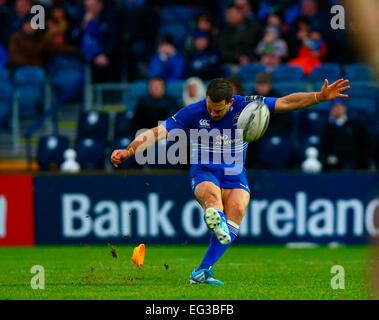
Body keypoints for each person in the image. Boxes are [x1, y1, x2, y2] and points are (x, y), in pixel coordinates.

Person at [111, 77, 350, 285]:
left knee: (237, 209)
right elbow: (157, 132)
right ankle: (214, 214)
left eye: (218, 110)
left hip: (235, 171)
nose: (213, 113)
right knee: (212, 199)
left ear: (230, 102)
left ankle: (202, 271)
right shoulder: (193, 112)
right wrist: (129, 151)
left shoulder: (247, 105)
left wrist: (319, 96)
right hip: (204, 168)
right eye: (210, 108)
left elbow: (286, 102)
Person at [319, 99, 372, 171]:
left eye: (340, 106)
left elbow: (365, 143)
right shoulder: (327, 126)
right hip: (334, 163)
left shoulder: (356, 124)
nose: (337, 109)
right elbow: (323, 146)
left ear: (345, 108)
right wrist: (327, 157)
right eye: (334, 106)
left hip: (354, 162)